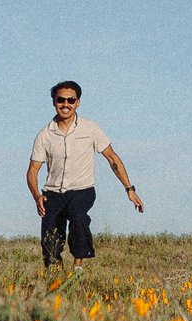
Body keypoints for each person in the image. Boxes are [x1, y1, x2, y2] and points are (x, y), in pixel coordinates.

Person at [27, 80, 141, 270]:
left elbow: (112, 159)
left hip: (82, 189)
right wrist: (37, 196)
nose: (66, 105)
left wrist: (129, 189)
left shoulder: (90, 129)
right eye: (61, 100)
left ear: (78, 102)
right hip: (53, 192)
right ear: (54, 102)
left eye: (71, 100)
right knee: (50, 238)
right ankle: (55, 276)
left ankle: (78, 265)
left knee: (78, 217)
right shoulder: (44, 135)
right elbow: (32, 170)